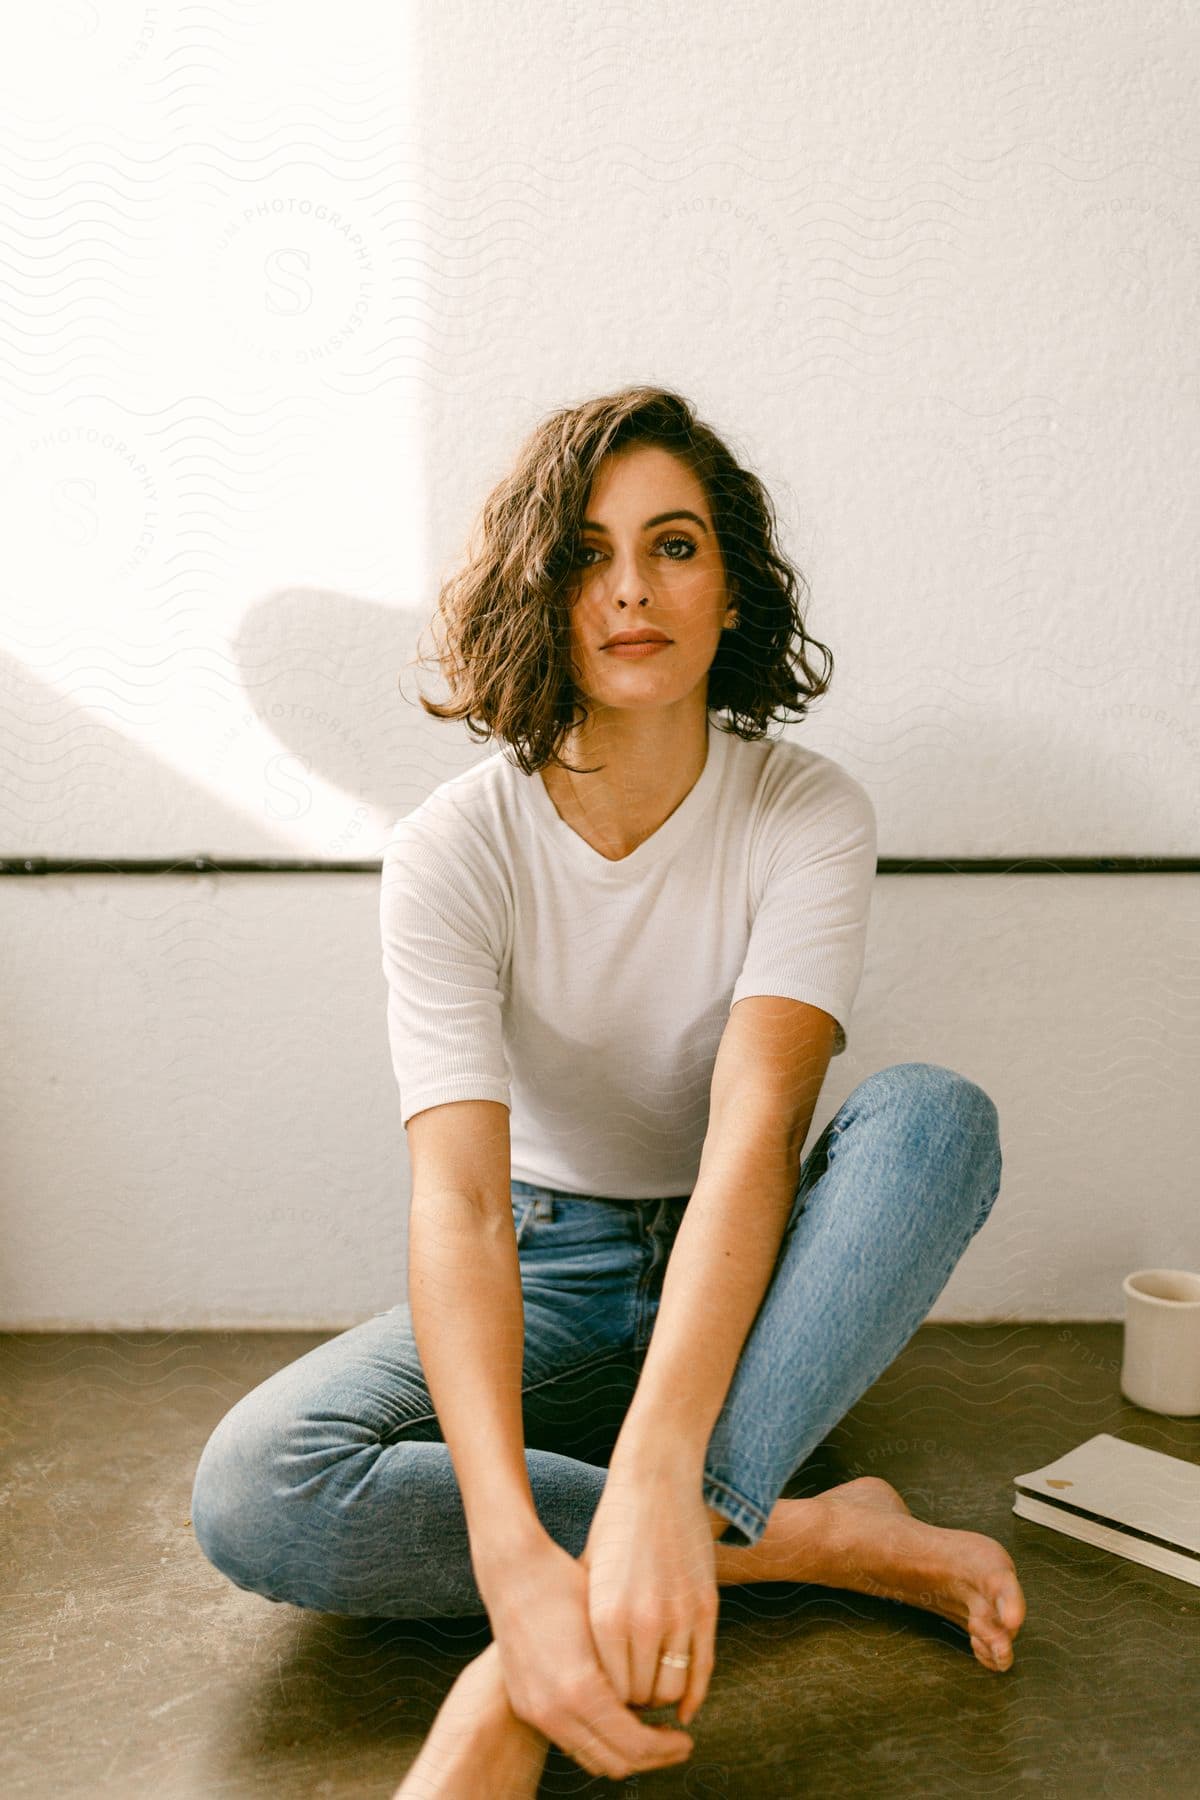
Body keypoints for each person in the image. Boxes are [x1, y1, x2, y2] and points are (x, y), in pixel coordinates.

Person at [190, 386, 1026, 1796]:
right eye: (586, 552)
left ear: (730, 586)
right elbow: (458, 1204)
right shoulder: (458, 848)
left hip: (755, 1278)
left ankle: (611, 1571)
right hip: (555, 1272)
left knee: (935, 1117)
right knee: (256, 1485)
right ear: (540, 589)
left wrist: (578, 1571)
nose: (631, 588)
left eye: (675, 544)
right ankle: (809, 1534)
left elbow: (759, 1137)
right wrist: (512, 1555)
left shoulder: (807, 812)